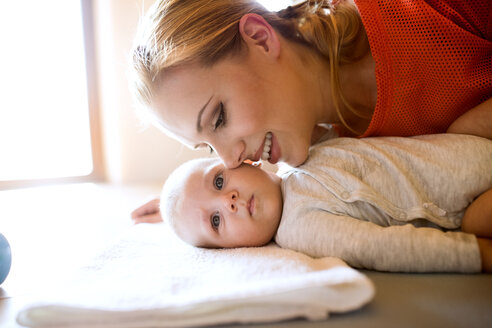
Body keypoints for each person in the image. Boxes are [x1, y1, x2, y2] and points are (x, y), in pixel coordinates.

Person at [130, 0, 492, 221]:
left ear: (260, 37)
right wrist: (194, 208)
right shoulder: (331, 163)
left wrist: (471, 131)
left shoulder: (416, 12)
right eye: (207, 148)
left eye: (219, 117)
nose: (230, 160)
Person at [157, 133, 492, 273]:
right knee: (479, 222)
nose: (227, 202)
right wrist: (474, 253)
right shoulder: (299, 228)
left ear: (246, 160)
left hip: (464, 149)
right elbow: (379, 246)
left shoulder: (297, 151)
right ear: (232, 249)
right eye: (215, 221)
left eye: (218, 182)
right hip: (464, 201)